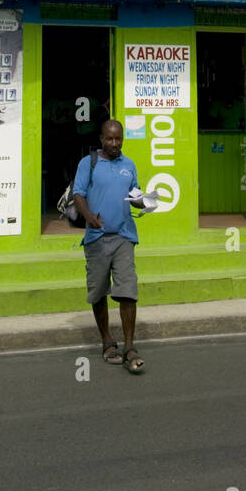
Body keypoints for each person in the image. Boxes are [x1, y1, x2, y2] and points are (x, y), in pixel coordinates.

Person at [72, 119, 145, 374]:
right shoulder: (88, 163)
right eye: (110, 139)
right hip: (97, 239)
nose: (114, 144)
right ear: (101, 139)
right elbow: (78, 194)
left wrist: (143, 202)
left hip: (124, 236)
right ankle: (106, 340)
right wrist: (89, 216)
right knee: (99, 291)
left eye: (118, 139)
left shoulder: (129, 165)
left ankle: (129, 347)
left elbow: (134, 194)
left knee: (127, 290)